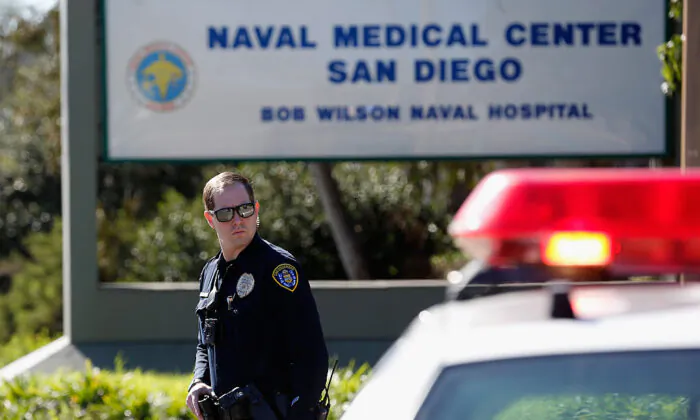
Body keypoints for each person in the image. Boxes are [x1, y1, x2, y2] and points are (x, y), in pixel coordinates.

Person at [185, 172, 330, 420]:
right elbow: (204, 342)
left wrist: (300, 412)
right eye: (226, 213)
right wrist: (199, 379)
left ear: (257, 209)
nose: (238, 220)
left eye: (245, 209)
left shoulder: (278, 268)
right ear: (210, 219)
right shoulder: (210, 273)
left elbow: (311, 352)